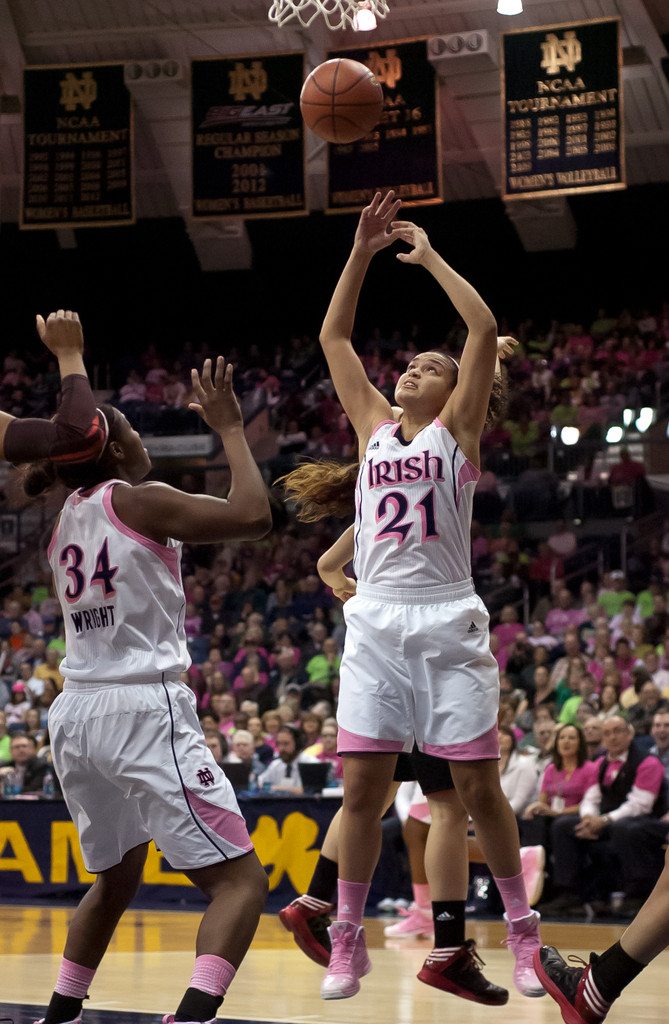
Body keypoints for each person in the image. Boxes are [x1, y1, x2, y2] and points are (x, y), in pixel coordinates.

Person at [280, 191, 542, 1000]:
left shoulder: (454, 433)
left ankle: (525, 940)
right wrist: (359, 253)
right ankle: (346, 939)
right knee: (360, 790)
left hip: (446, 617)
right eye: (411, 365)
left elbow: (484, 331)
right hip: (376, 624)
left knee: (474, 791)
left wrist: (426, 259)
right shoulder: (369, 427)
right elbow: (333, 336)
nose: (411, 370)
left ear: (452, 390)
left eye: (430, 367)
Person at [25, 354, 271, 1024]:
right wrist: (229, 430)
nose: (142, 443)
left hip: (76, 715)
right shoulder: (139, 499)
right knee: (241, 882)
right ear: (112, 447)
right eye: (132, 434)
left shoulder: (65, 517)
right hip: (140, 705)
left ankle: (60, 1013)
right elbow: (253, 515)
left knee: (115, 879)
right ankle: (190, 1019)